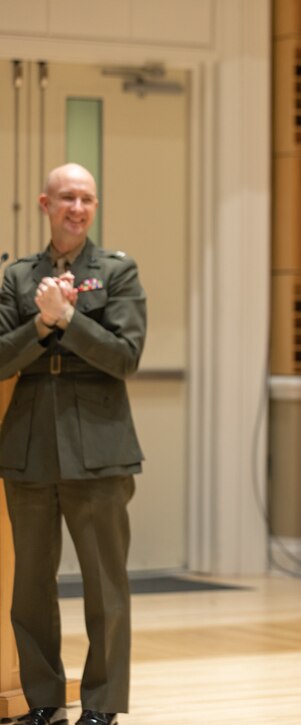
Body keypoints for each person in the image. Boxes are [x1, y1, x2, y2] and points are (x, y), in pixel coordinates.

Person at [0, 163, 147, 725]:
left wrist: (67, 318)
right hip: (29, 445)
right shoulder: (17, 278)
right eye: (66, 198)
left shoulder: (117, 272)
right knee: (30, 586)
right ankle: (42, 701)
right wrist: (40, 327)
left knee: (104, 586)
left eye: (86, 198)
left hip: (101, 447)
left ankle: (102, 706)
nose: (77, 209)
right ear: (45, 203)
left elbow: (125, 355)